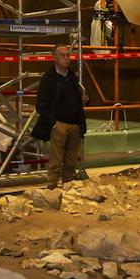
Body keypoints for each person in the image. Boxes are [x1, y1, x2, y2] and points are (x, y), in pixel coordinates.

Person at [33, 44, 88, 189]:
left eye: (68, 55)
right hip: (59, 124)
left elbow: (79, 97)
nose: (66, 58)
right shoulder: (49, 79)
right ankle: (52, 188)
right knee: (56, 162)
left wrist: (84, 101)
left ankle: (68, 188)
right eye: (63, 55)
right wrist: (54, 124)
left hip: (75, 124)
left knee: (71, 161)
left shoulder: (71, 77)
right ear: (55, 58)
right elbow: (41, 105)